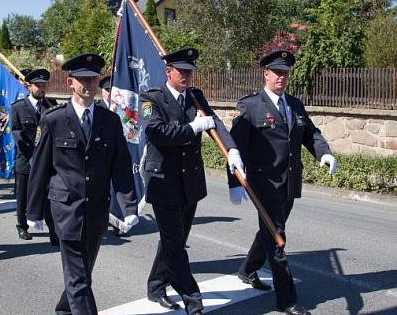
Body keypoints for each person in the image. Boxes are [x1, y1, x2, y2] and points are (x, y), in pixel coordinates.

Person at [27, 53, 139, 315]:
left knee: (83, 271)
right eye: (82, 80)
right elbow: (40, 168)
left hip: (97, 210)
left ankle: (65, 309)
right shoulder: (53, 120)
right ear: (70, 83)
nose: (87, 85)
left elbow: (120, 166)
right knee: (79, 276)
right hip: (66, 211)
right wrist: (34, 212)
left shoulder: (109, 121)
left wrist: (129, 206)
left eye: (92, 79)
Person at [227, 50, 337, 315]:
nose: (281, 77)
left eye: (285, 73)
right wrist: (234, 183)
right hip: (263, 185)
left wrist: (324, 152)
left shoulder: (295, 105)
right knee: (277, 239)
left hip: (289, 184)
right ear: (266, 74)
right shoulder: (250, 106)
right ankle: (287, 300)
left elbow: (311, 134)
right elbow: (234, 146)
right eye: (277, 72)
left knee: (270, 229)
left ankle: (247, 269)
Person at [139, 47, 242, 315]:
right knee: (175, 243)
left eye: (189, 71)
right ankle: (193, 300)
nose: (186, 75)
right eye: (181, 71)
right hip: (163, 180)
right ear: (168, 72)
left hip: (190, 182)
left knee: (174, 239)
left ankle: (156, 285)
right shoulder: (151, 99)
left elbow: (214, 122)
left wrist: (231, 148)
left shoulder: (195, 98)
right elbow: (156, 132)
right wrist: (192, 128)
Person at [10, 69, 58, 241]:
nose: (41, 88)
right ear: (29, 86)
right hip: (26, 161)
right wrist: (33, 159)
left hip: (48, 162)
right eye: (38, 85)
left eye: (44, 85)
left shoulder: (51, 105)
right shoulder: (18, 107)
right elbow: (18, 136)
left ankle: (54, 231)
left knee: (50, 197)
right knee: (23, 196)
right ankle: (22, 225)